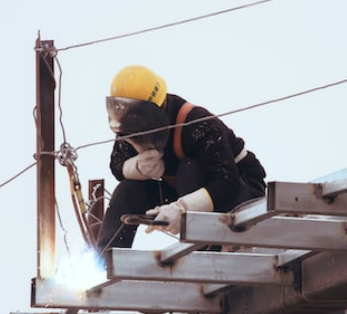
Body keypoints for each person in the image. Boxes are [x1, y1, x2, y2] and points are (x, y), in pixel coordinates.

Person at [95, 65, 267, 253]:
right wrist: (136, 168)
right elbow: (117, 164)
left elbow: (227, 183)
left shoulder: (197, 124)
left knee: (189, 169)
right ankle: (105, 263)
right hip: (185, 193)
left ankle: (206, 253)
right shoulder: (130, 127)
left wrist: (182, 208)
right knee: (129, 189)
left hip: (240, 194)